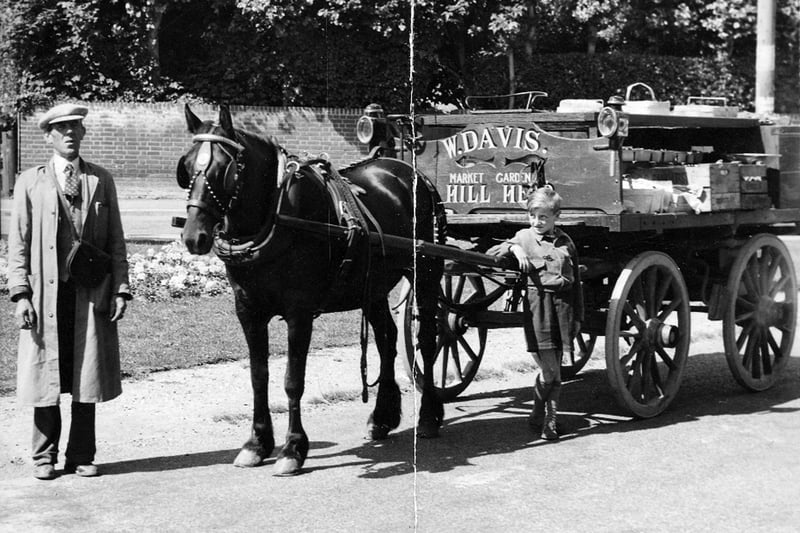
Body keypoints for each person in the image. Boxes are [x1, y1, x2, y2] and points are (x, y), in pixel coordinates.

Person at [7, 103, 131, 479]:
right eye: (61, 129)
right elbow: (19, 243)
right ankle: (44, 456)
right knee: (46, 374)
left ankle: (81, 455)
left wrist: (121, 288)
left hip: (89, 293)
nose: (70, 134)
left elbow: (116, 240)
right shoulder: (30, 181)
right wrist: (21, 294)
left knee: (86, 373)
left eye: (76, 128)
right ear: (48, 136)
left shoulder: (100, 180)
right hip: (46, 296)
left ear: (83, 133)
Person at [490, 187, 583, 440]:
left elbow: (576, 285)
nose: (537, 222)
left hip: (563, 308)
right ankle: (548, 420)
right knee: (550, 371)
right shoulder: (523, 237)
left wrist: (577, 319)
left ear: (556, 216)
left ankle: (540, 417)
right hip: (538, 307)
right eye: (533, 216)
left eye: (543, 217)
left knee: (555, 369)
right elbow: (492, 254)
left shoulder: (566, 242)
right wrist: (513, 249)